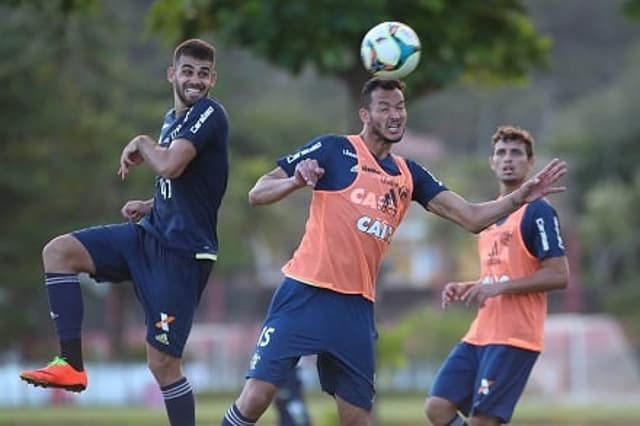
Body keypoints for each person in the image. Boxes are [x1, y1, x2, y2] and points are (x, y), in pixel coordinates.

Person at [220, 78, 566, 426]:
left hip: (355, 309)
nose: (395, 114)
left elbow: (472, 217)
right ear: (365, 114)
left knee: (357, 419)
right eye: (384, 107)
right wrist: (294, 181)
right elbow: (258, 191)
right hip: (305, 293)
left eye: (400, 107)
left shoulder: (409, 174)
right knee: (257, 397)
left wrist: (519, 197)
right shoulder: (333, 149)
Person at [20, 38, 229, 426]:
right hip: (148, 236)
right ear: (172, 74)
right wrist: (151, 206)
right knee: (59, 252)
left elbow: (169, 167)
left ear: (213, 79)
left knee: (163, 365)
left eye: (203, 73)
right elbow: (189, 186)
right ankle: (71, 365)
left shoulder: (209, 113)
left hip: (182, 255)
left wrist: (141, 142)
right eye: (187, 71)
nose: (195, 80)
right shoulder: (173, 120)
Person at [424, 125, 570, 426]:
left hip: (514, 338)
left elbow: (559, 275)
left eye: (516, 153)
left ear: (530, 162)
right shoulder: (488, 216)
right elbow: (500, 277)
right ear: (492, 162)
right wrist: (471, 286)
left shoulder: (537, 211)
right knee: (437, 407)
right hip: (480, 335)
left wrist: (501, 287)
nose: (508, 159)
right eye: (501, 153)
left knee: (483, 421)